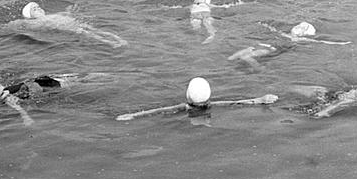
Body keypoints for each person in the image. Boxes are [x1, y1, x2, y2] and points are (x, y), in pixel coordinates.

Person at [115, 77, 278, 122]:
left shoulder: (183, 107)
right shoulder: (213, 105)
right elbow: (235, 103)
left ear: (187, 95)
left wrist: (134, 115)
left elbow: (158, 111)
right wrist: (260, 99)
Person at [8, 1, 127, 48]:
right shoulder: (34, 22)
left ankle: (118, 39)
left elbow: (65, 14)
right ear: (30, 16)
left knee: (95, 30)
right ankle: (111, 43)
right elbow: (18, 24)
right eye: (34, 9)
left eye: (38, 7)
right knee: (88, 33)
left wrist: (69, 10)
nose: (38, 9)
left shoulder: (52, 15)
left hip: (73, 22)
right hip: (69, 28)